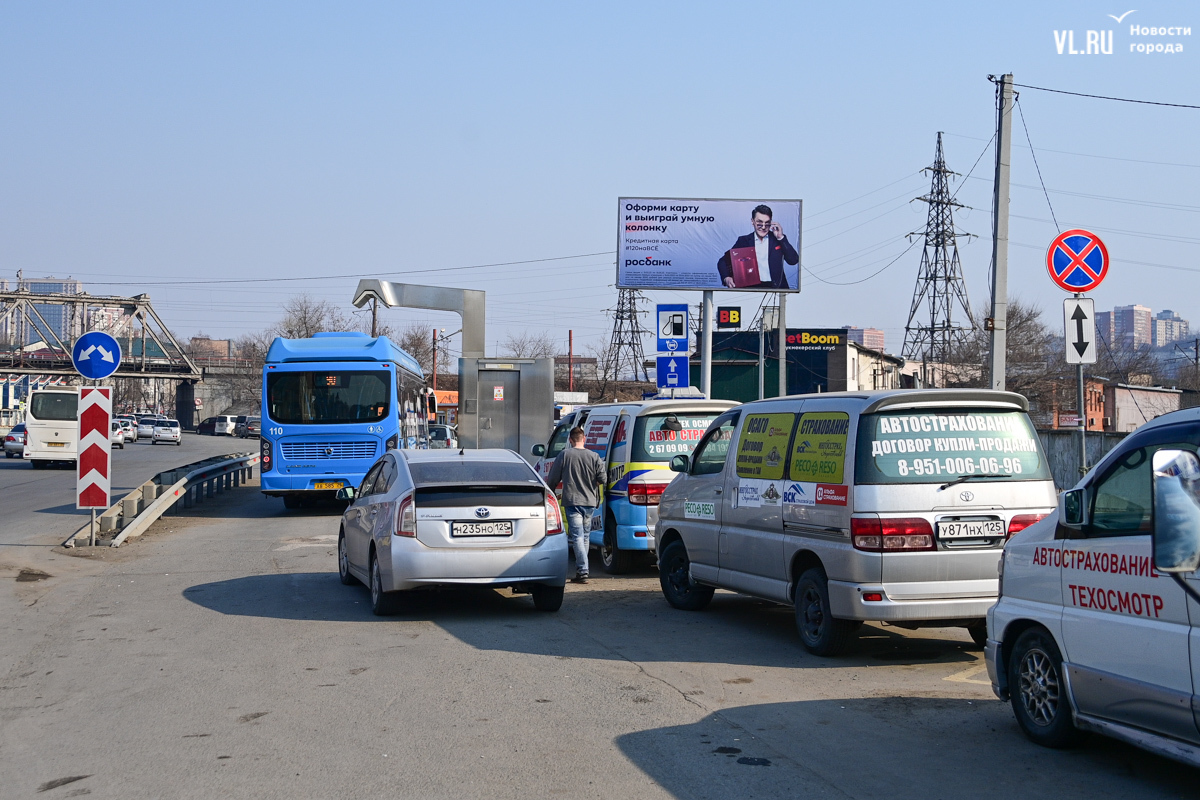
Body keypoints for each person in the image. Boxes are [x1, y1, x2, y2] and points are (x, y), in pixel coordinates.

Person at [547, 426, 606, 584]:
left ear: (570, 440)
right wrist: (592, 483)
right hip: (590, 502)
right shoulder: (594, 456)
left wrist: (550, 493)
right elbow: (603, 478)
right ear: (584, 438)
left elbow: (553, 478)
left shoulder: (565, 455)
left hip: (573, 501)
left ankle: (583, 570)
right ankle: (582, 571)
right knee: (585, 536)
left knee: (578, 537)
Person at [716, 204, 800, 289]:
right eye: (759, 223)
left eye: (767, 223)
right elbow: (723, 261)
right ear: (753, 222)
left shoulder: (777, 239)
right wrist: (726, 278)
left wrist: (781, 238)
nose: (763, 227)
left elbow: (793, 260)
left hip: (776, 288)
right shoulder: (744, 241)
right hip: (751, 289)